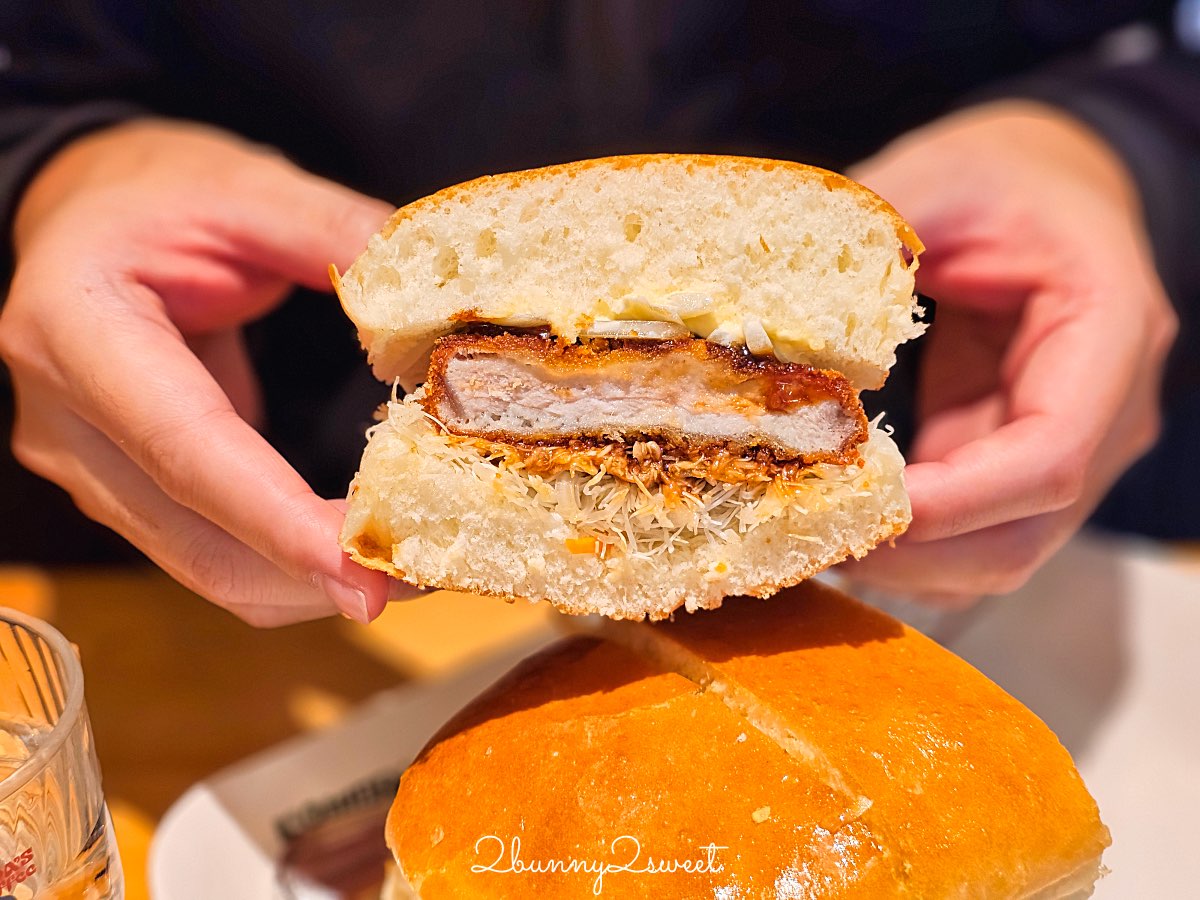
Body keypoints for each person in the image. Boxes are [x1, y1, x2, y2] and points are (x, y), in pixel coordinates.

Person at [0, 3, 1193, 624]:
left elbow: (1153, 47)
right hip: (200, 531)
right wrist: (58, 169)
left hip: (1007, 501)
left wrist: (1106, 148)